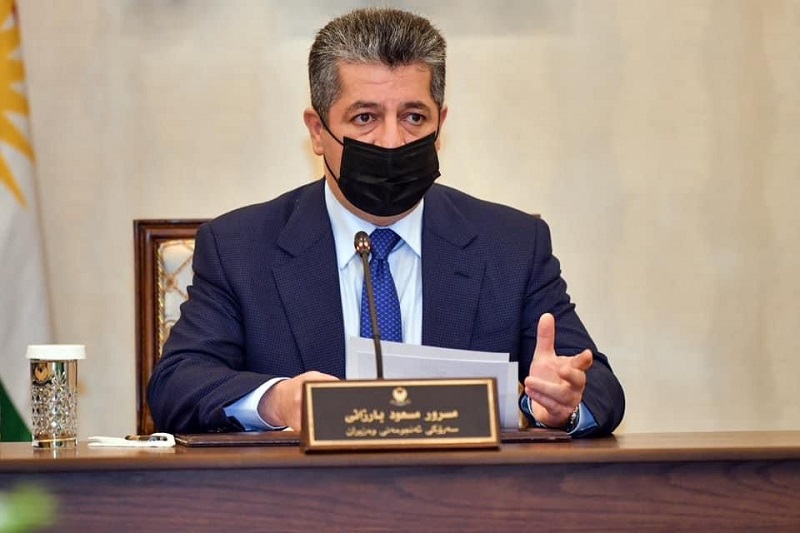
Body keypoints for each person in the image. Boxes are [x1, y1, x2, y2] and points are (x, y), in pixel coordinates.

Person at [147, 7, 625, 437]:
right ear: (318, 131)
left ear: (440, 126)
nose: (392, 141)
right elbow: (176, 385)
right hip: (302, 498)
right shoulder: (240, 248)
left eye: (414, 117)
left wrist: (560, 401)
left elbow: (598, 386)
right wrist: (278, 401)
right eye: (364, 118)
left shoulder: (511, 245)